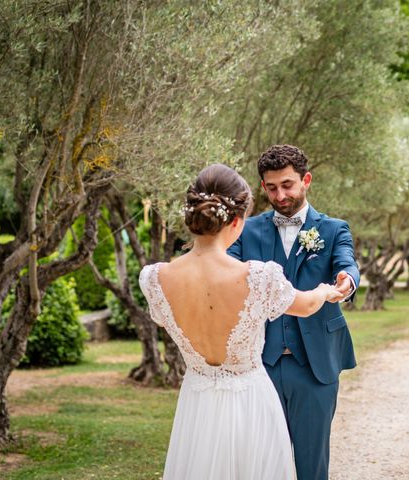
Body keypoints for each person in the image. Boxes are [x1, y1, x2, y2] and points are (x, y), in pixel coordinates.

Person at [138, 163, 341, 480]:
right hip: (251, 402)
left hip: (196, 403)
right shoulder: (259, 277)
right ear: (236, 221)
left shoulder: (153, 279)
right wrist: (325, 290)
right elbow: (306, 305)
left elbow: (167, 322)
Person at [228, 144, 360, 480]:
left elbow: (346, 264)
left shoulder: (333, 229)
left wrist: (347, 281)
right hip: (261, 364)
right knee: (261, 463)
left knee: (311, 464)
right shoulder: (247, 230)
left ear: (306, 180)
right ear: (262, 187)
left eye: (287, 185)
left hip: (314, 365)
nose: (280, 195)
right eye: (271, 187)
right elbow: (225, 272)